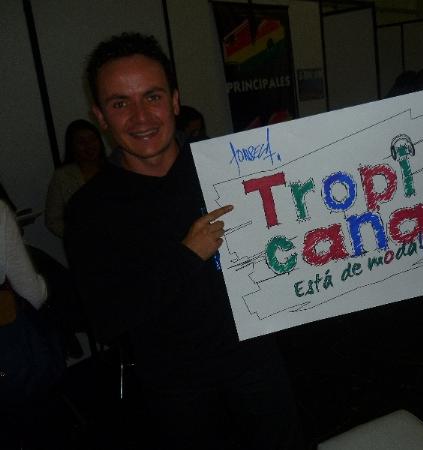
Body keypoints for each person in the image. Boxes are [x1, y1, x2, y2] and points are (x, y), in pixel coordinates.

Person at [64, 32, 302, 450]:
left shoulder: (228, 167)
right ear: (100, 116)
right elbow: (106, 319)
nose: (141, 117)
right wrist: (187, 256)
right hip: (174, 383)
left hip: (256, 358)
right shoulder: (89, 210)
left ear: (175, 101)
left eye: (152, 97)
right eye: (120, 103)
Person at [45, 119, 106, 238]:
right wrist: (76, 237)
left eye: (92, 139)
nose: (89, 145)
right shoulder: (62, 176)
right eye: (81, 142)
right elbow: (53, 219)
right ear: (72, 146)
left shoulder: (115, 169)